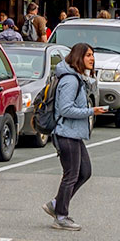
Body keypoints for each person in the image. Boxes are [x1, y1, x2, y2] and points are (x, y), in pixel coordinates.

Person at [45, 42, 96, 230]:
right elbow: (65, 109)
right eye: (88, 55)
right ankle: (61, 216)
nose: (92, 58)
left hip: (74, 133)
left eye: (92, 55)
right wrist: (91, 111)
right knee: (71, 175)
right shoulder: (70, 80)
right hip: (65, 133)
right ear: (78, 57)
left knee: (85, 172)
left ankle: (56, 204)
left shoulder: (76, 78)